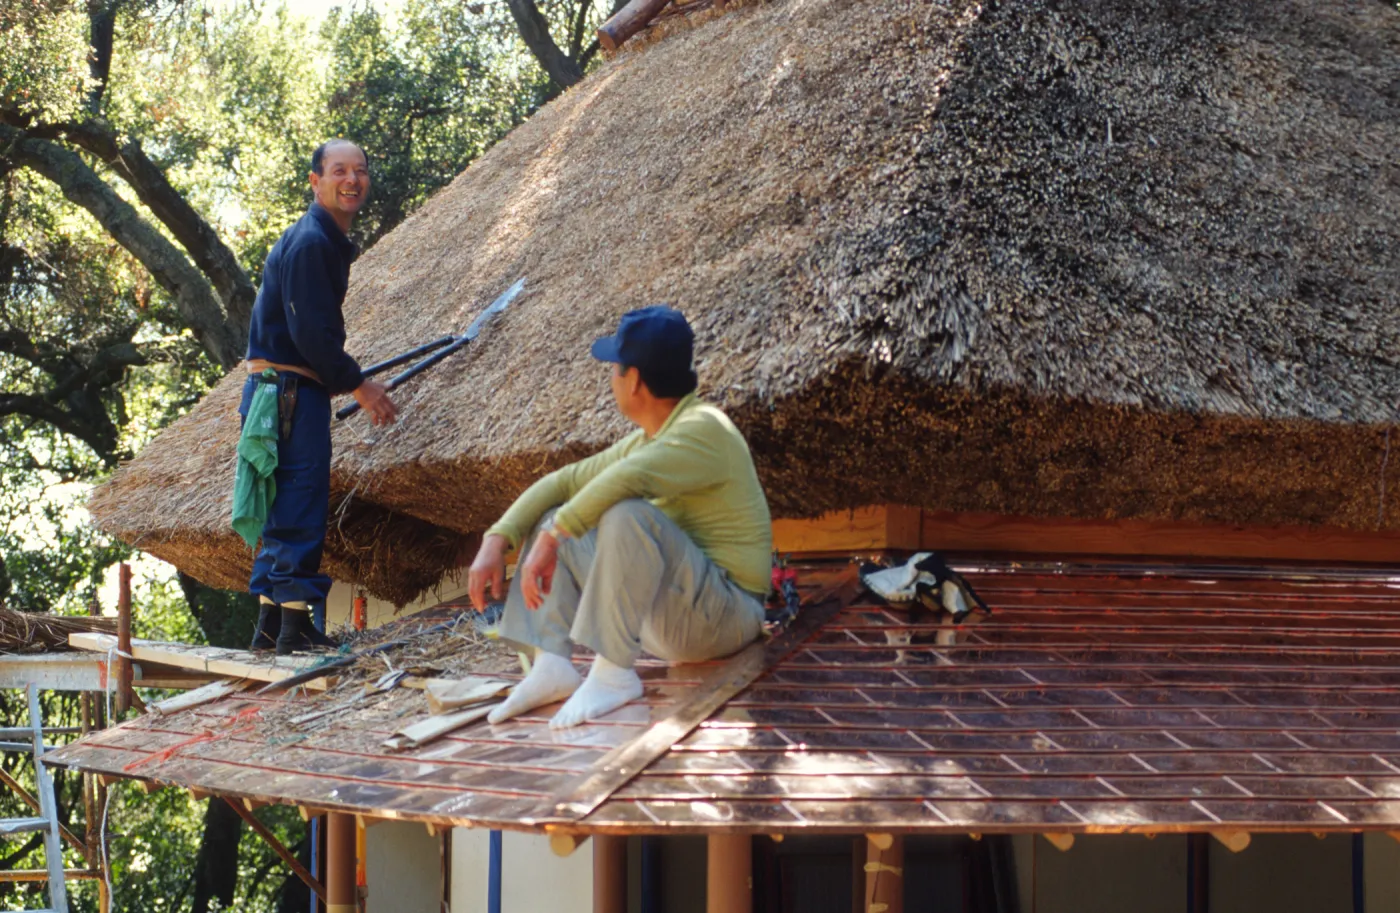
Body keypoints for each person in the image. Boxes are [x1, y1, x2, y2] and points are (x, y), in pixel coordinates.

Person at [467, 306, 772, 729]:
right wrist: (496, 540)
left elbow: (630, 479)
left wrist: (553, 537)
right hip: (676, 616)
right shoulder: (651, 438)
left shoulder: (705, 428)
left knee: (626, 514)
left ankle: (612, 675)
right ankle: (551, 664)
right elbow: (564, 481)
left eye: (613, 368)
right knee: (560, 513)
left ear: (632, 380)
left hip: (726, 618)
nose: (610, 378)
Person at [241, 139, 398, 655]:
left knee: (281, 499)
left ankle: (269, 623)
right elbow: (310, 333)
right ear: (315, 181)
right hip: (290, 391)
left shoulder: (318, 239)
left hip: (275, 390)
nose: (351, 180)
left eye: (360, 171)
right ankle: (295, 626)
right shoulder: (311, 243)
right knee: (300, 498)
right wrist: (359, 384)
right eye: (338, 171)